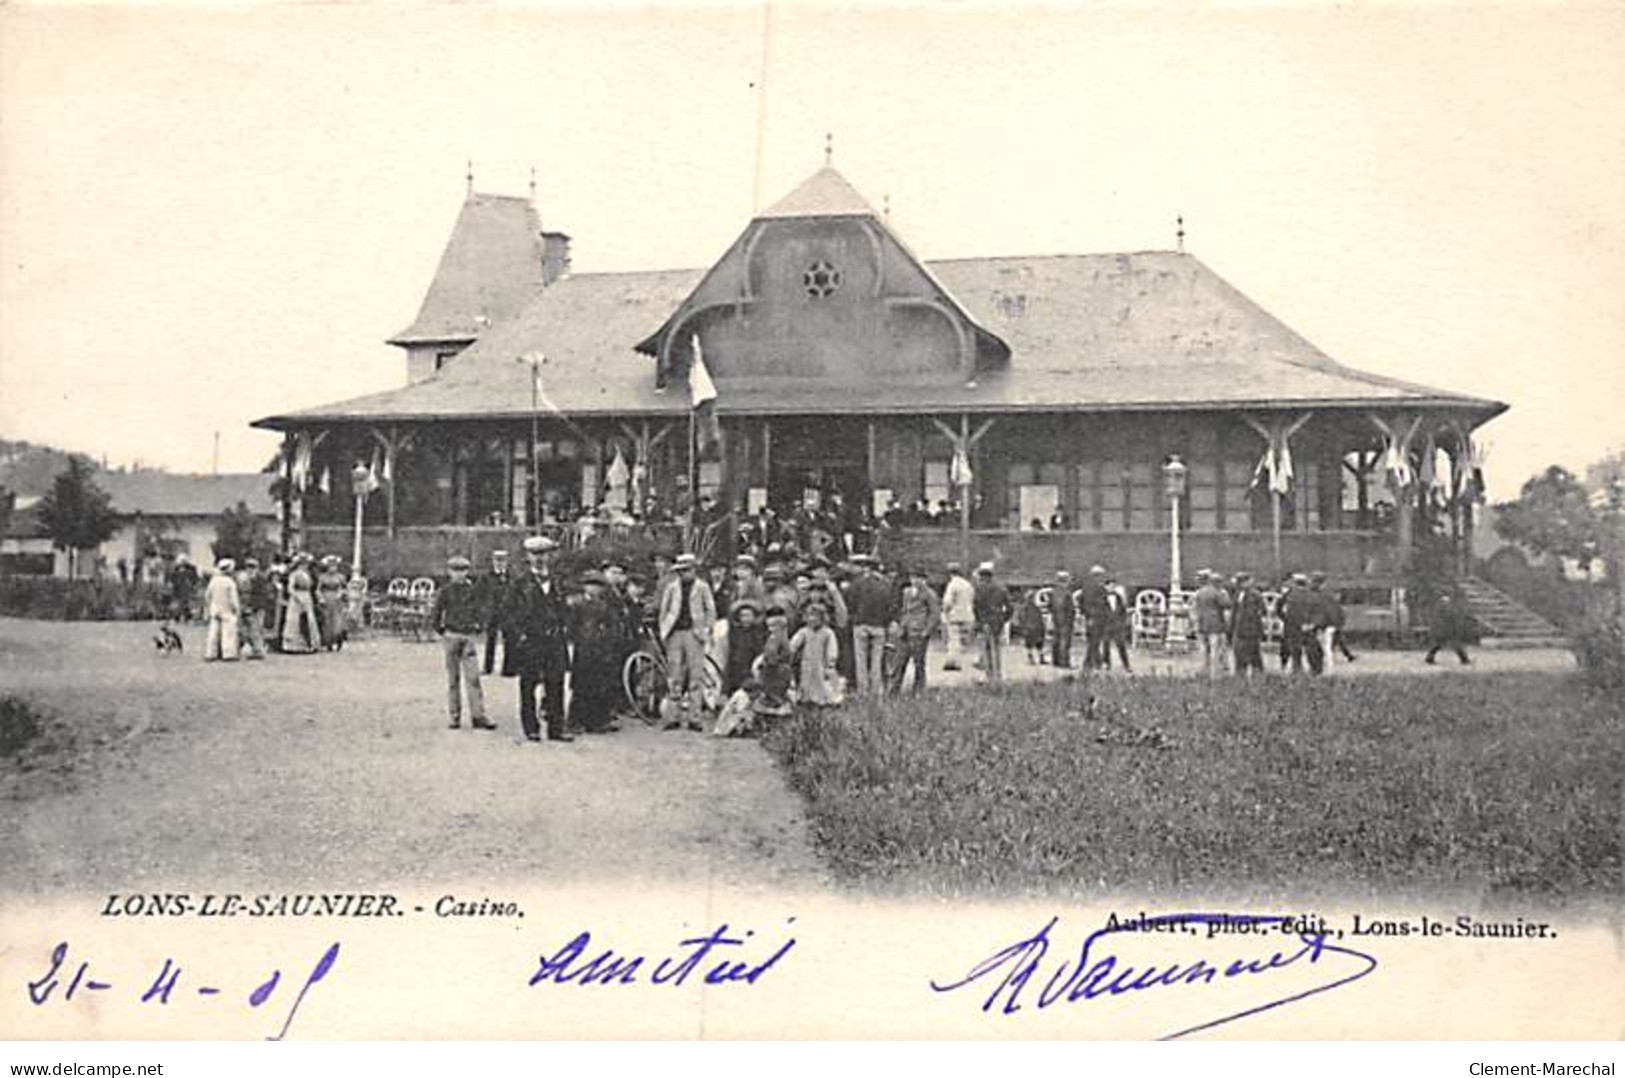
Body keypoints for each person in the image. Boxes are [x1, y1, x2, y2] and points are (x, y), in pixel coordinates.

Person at [507, 536, 574, 743]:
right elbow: (508, 613)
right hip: (531, 642)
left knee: (556, 684)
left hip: (554, 640)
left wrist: (564, 627)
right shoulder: (519, 583)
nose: (539, 559)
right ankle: (531, 728)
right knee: (528, 686)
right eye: (535, 555)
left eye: (543, 554)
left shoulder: (558, 581)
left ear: (549, 556)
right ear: (527, 557)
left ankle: (556, 728)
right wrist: (520, 635)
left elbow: (565, 609)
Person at [430, 555, 494, 731]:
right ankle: (454, 716)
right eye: (455, 571)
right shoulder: (445, 591)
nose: (459, 575)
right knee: (453, 679)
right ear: (449, 572)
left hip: (468, 637)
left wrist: (480, 626)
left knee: (473, 678)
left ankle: (478, 715)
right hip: (452, 635)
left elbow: (482, 609)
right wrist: (442, 630)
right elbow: (436, 613)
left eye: (463, 571)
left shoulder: (473, 591)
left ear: (467, 572)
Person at [656, 552, 716, 731]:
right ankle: (672, 716)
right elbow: (664, 610)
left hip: (694, 634)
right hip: (675, 634)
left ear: (694, 570)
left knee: (695, 676)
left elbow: (710, 610)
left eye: (687, 570)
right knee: (674, 675)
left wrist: (705, 630)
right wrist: (664, 630)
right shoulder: (672, 587)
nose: (684, 574)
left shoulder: (702, 587)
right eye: (681, 571)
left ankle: (694, 718)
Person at [568, 571, 624, 734]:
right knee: (580, 686)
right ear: (585, 587)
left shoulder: (604, 606)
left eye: (598, 586)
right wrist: (578, 638)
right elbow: (572, 627)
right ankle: (574, 721)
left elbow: (612, 626)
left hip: (601, 650)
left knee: (598, 686)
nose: (594, 589)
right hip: (584, 650)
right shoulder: (578, 605)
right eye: (591, 585)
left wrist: (608, 640)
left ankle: (596, 721)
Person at [845, 553, 897, 696]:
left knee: (860, 659)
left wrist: (854, 615)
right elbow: (891, 605)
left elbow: (849, 601)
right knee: (877, 660)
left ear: (866, 567)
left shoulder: (857, 583)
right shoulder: (885, 584)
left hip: (860, 624)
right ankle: (875, 690)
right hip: (879, 626)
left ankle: (863, 690)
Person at [889, 567, 941, 695]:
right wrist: (901, 626)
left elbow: (935, 614)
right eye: (913, 578)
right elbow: (905, 611)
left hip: (919, 632)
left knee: (918, 664)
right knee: (899, 662)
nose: (915, 581)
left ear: (924, 580)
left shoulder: (929, 594)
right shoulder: (907, 593)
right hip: (905, 632)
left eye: (918, 578)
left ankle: (918, 691)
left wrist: (926, 631)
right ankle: (894, 691)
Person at [790, 601, 841, 708]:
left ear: (822, 618)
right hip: (806, 662)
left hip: (821, 662)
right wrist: (792, 650)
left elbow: (832, 648)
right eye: (809, 616)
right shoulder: (804, 632)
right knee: (806, 680)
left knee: (821, 680)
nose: (812, 619)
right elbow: (794, 644)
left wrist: (831, 661)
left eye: (815, 616)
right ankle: (805, 699)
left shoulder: (827, 633)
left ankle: (822, 700)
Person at [971, 562, 1011, 683]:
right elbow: (1009, 607)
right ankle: (998, 675)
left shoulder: (978, 589)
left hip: (984, 622)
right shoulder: (1001, 588)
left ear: (982, 576)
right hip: (997, 622)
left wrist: (978, 621)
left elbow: (975, 606)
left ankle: (989, 675)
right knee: (997, 649)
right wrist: (1003, 619)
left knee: (986, 649)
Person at [1278, 573, 1323, 675]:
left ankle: (1296, 671)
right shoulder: (1313, 595)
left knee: (1295, 652)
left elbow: (1279, 608)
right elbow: (1318, 612)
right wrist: (1313, 624)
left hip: (1292, 626)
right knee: (1311, 651)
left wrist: (1285, 619)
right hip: (1308, 627)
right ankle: (1314, 671)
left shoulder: (1289, 595)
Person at [1191, 569, 1232, 679]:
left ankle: (1203, 671)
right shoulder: (1218, 593)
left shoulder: (1198, 593)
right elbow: (1227, 605)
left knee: (1203, 650)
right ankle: (1215, 674)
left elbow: (1194, 609)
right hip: (1216, 624)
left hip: (1201, 624)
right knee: (1216, 650)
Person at [280, 552, 322, 654]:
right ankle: (293, 646)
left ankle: (309, 644)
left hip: (307, 597)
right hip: (296, 599)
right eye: (303, 564)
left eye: (306, 563)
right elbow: (290, 588)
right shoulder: (294, 574)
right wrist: (297, 598)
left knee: (309, 620)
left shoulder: (308, 575)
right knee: (295, 621)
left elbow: (313, 587)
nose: (305, 566)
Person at [479, 549, 513, 676]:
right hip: (492, 612)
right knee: (490, 640)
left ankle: (509, 669)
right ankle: (488, 668)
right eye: (497, 560)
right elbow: (479, 593)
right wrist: (483, 608)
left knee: (509, 640)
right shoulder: (486, 577)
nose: (500, 563)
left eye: (502, 561)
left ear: (506, 562)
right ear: (493, 562)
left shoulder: (511, 576)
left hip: (508, 612)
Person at [202, 558, 241, 662]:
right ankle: (228, 654)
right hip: (227, 610)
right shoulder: (230, 582)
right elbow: (233, 598)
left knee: (213, 632)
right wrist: (236, 609)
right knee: (228, 633)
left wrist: (209, 608)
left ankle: (211, 653)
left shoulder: (213, 581)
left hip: (215, 609)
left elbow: (207, 595)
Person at [1229, 572, 1267, 676]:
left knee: (1254, 657)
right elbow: (1234, 612)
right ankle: (1242, 676)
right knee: (1240, 657)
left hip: (1251, 631)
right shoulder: (1238, 594)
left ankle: (1256, 676)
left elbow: (1261, 611)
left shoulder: (1255, 595)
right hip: (1240, 631)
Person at [941, 561, 975, 671]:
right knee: (963, 640)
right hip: (968, 615)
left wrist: (945, 613)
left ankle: (953, 662)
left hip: (955, 616)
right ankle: (959, 661)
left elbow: (948, 602)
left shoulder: (952, 585)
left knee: (953, 639)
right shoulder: (968, 585)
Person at [1424, 591, 1475, 666]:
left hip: (1444, 631)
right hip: (1444, 631)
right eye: (1445, 602)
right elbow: (1448, 620)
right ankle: (1464, 659)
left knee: (1438, 645)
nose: (1446, 603)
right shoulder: (1444, 610)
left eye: (1447, 602)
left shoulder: (1441, 609)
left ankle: (1429, 658)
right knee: (1455, 645)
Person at [236, 558, 272, 660]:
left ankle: (258, 650)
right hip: (246, 606)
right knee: (244, 628)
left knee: (256, 628)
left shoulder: (260, 579)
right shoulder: (244, 578)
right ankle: (248, 648)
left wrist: (254, 606)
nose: (250, 569)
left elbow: (262, 594)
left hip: (257, 607)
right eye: (248, 567)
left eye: (253, 567)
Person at [1077, 565, 1112, 670]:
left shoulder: (1086, 587)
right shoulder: (1101, 589)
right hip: (1098, 618)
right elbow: (1103, 604)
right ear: (1099, 576)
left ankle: (1096, 662)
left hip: (1090, 617)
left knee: (1093, 641)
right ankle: (1089, 664)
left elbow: (1081, 601)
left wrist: (1085, 614)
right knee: (1094, 642)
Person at [1101, 573, 1133, 672]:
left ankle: (1126, 665)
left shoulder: (1118, 597)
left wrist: (1122, 622)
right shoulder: (1101, 598)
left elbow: (1123, 611)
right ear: (1106, 586)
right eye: (1110, 585)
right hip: (1106, 625)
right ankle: (1106, 663)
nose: (1112, 587)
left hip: (1117, 625)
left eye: (1113, 586)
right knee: (1106, 645)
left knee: (1121, 645)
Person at [316, 555, 348, 651]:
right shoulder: (322, 577)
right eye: (330, 566)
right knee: (327, 622)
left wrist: (341, 594)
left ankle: (338, 640)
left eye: (334, 566)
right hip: (326, 599)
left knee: (337, 622)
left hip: (337, 600)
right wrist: (320, 598)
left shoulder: (341, 577)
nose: (333, 568)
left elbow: (345, 588)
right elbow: (318, 589)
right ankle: (328, 643)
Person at [1049, 571, 1076, 670]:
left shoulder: (1054, 592)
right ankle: (1064, 662)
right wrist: (1071, 620)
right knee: (1065, 642)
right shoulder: (1067, 593)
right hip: (1066, 620)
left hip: (1056, 619)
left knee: (1056, 640)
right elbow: (1071, 609)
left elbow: (1050, 606)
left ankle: (1055, 661)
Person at [1015, 587, 1047, 665]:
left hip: (1036, 628)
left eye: (1032, 597)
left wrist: (1042, 627)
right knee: (1029, 645)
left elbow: (1039, 618)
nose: (1032, 599)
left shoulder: (1035, 607)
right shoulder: (1024, 608)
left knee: (1039, 644)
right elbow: (1021, 618)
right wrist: (1023, 628)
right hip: (1029, 628)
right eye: (1030, 597)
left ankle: (1041, 658)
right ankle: (1031, 659)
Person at [168, 554, 200, 623]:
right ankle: (177, 617)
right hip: (178, 589)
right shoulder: (176, 569)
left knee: (186, 603)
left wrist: (194, 586)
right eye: (181, 561)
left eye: (184, 561)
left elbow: (195, 579)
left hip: (187, 588)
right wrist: (172, 585)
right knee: (177, 604)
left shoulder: (191, 569)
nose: (182, 563)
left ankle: (187, 617)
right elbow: (172, 578)